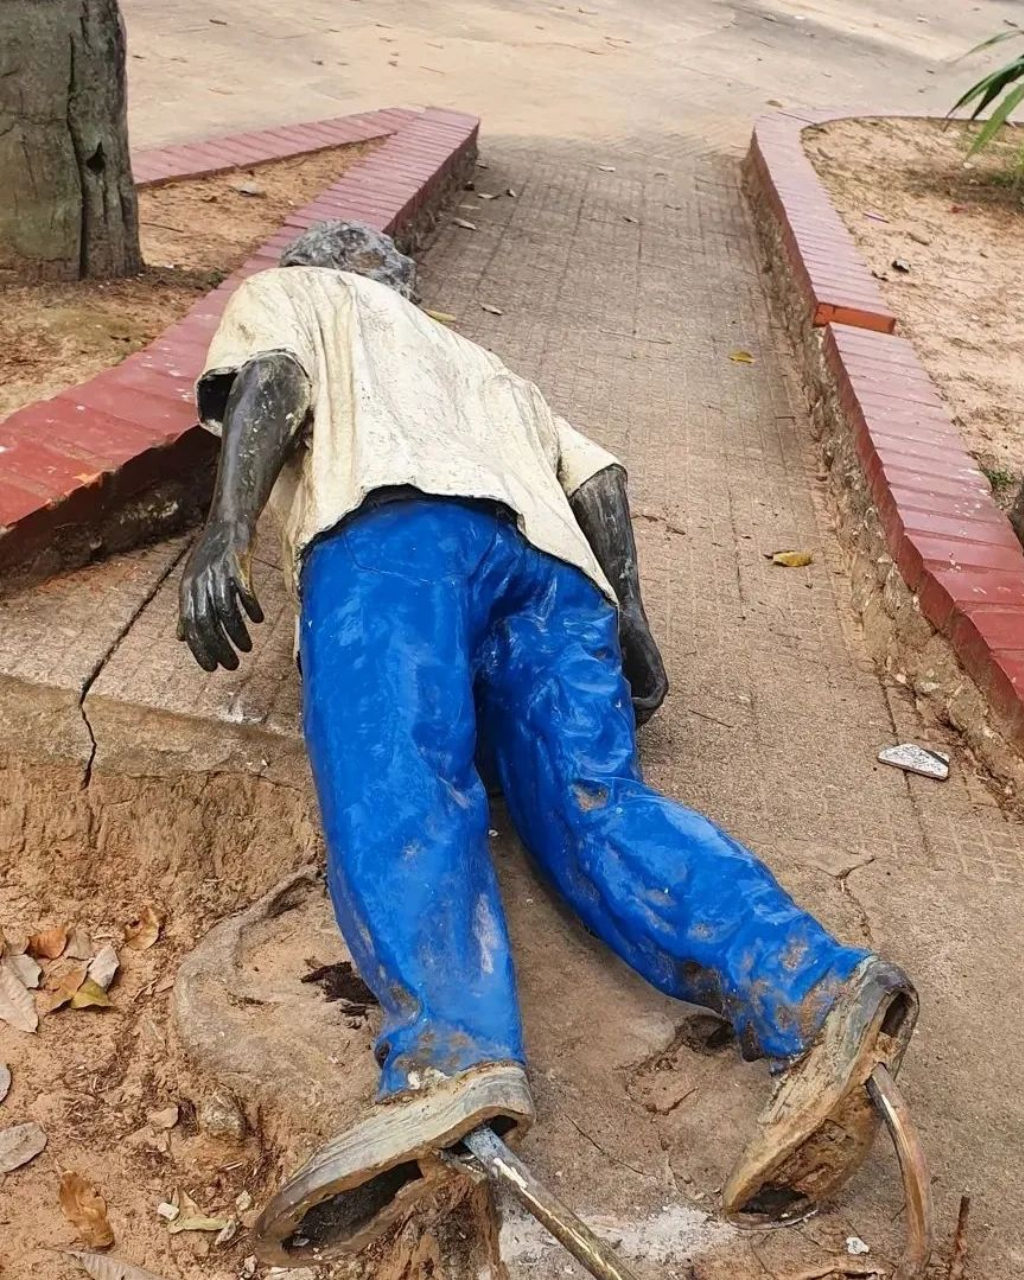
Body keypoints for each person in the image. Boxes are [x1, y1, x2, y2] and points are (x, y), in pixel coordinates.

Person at [177, 220, 919, 1265]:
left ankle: (451, 1052)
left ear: (329, 267)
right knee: (595, 806)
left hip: (392, 535)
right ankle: (811, 983)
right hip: (557, 579)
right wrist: (634, 624)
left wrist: (225, 531)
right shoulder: (488, 367)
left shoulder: (301, 294)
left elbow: (274, 382)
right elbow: (599, 487)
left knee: (401, 776)